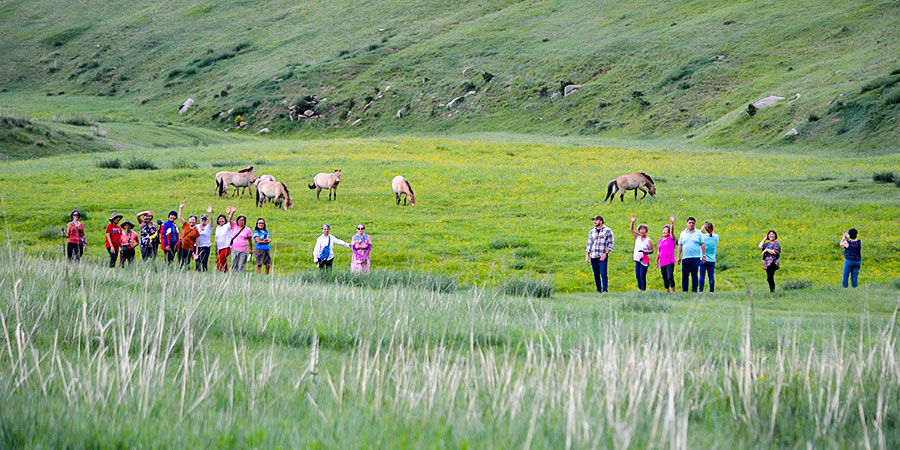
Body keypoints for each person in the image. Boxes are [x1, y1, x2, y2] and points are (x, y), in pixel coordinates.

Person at [584, 215, 614, 293]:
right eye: (594, 220)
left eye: (596, 220)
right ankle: (598, 290)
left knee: (603, 273)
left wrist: (605, 254)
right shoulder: (592, 231)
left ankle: (605, 290)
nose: (595, 222)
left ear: (601, 221)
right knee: (596, 274)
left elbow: (611, 243)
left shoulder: (608, 230)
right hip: (593, 256)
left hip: (602, 256)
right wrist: (587, 255)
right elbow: (589, 244)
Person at [677, 217, 706, 293]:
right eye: (689, 223)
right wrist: (679, 256)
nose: (691, 224)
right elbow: (680, 245)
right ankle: (685, 291)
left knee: (694, 275)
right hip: (685, 257)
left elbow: (702, 244)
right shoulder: (683, 233)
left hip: (695, 257)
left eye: (693, 223)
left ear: (694, 224)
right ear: (687, 224)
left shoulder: (698, 233)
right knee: (685, 275)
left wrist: (704, 255)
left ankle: (694, 291)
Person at [629, 215, 654, 291]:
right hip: (637, 259)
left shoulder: (648, 240)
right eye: (641, 229)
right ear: (639, 231)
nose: (642, 231)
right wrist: (632, 222)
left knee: (642, 276)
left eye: (644, 229)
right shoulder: (637, 237)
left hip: (644, 260)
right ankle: (640, 289)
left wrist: (646, 252)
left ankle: (643, 290)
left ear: (646, 231)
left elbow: (652, 250)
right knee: (638, 276)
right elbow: (632, 230)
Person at [655, 215, 676, 292]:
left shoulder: (671, 238)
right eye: (663, 230)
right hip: (662, 261)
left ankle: (673, 291)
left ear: (669, 232)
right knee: (664, 277)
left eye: (666, 230)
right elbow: (659, 251)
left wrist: (672, 223)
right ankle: (667, 291)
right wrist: (656, 260)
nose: (664, 232)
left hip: (669, 261)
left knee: (670, 276)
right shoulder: (660, 240)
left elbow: (672, 231)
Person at [177, 202, 199, 269]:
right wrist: (181, 208)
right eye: (191, 219)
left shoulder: (196, 230)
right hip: (181, 247)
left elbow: (197, 242)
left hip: (189, 249)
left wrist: (196, 252)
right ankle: (180, 272)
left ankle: (187, 273)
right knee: (180, 262)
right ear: (189, 220)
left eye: (194, 220)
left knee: (187, 262)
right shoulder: (185, 225)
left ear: (196, 221)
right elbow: (180, 217)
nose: (192, 221)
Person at [699, 222, 719, 293]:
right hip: (712, 259)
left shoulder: (703, 237)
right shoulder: (716, 237)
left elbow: (697, 235)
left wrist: (701, 229)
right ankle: (711, 291)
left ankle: (701, 290)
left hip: (703, 259)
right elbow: (712, 233)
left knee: (702, 276)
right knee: (711, 276)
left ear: (705, 229)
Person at [215, 207, 235, 272]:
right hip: (220, 247)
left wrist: (230, 213)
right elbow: (216, 239)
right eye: (220, 219)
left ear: (225, 220)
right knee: (224, 261)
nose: (221, 220)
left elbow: (231, 221)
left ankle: (220, 272)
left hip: (226, 246)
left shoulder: (227, 226)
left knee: (219, 260)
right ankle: (226, 272)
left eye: (222, 219)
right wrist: (216, 249)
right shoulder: (217, 228)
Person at [195, 206, 213, 272]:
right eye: (202, 219)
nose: (203, 221)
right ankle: (197, 273)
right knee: (197, 261)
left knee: (205, 262)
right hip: (197, 246)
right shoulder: (196, 226)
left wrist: (210, 213)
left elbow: (212, 221)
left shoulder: (208, 227)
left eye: (205, 219)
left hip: (206, 246)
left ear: (207, 220)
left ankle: (205, 272)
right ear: (200, 220)